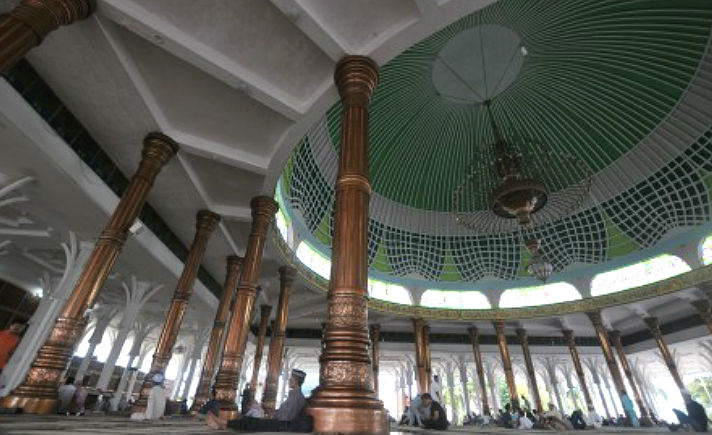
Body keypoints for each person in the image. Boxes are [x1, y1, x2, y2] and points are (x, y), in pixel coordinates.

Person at [206, 369, 310, 432]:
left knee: (252, 422)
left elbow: (286, 417)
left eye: (291, 379)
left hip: (281, 425)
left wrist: (272, 415)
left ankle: (222, 422)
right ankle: (222, 424)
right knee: (250, 420)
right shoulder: (294, 395)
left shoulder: (297, 398)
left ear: (297, 382)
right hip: (280, 423)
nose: (289, 381)